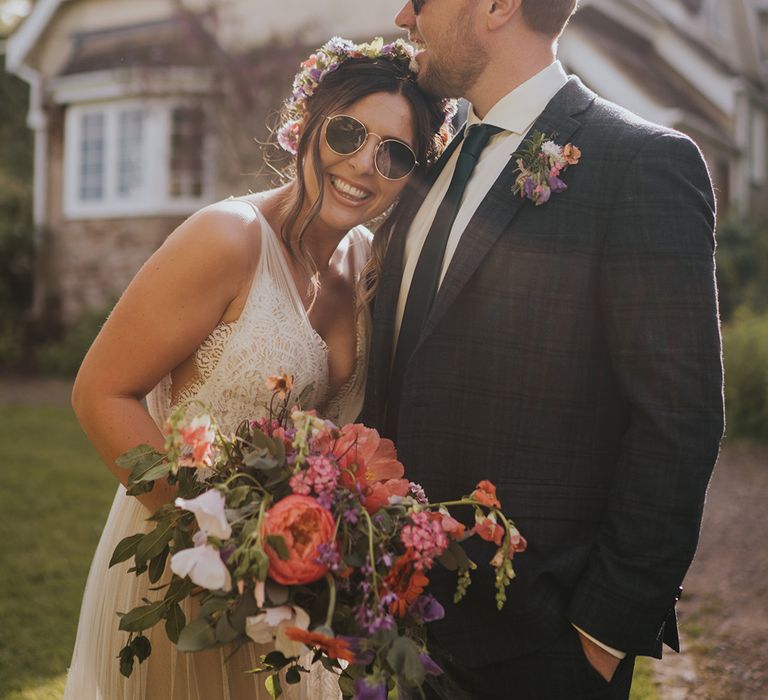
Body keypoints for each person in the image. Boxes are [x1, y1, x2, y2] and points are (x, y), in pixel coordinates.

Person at [63, 36, 453, 700]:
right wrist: (224, 555)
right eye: (348, 132)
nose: (363, 164)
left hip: (295, 593)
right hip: (186, 571)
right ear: (307, 124)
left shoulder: (365, 264)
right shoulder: (226, 238)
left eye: (393, 154)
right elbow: (101, 392)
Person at [361, 1, 724, 698]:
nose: (403, 14)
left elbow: (678, 419)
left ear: (497, 6)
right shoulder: (426, 164)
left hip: (539, 647)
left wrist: (601, 639)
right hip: (393, 630)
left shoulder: (641, 164)